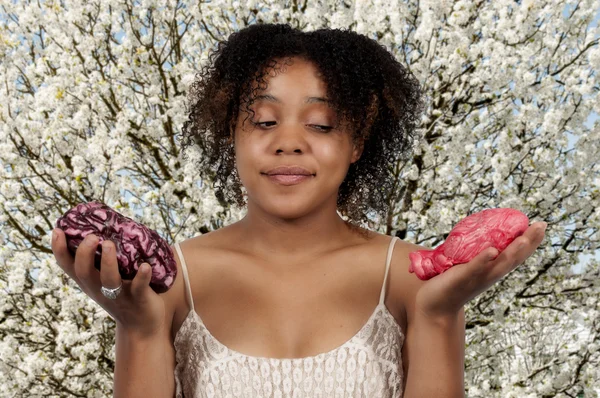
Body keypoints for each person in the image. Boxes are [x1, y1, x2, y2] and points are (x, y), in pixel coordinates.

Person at [51, 22, 547, 398]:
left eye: (322, 125)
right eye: (264, 121)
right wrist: (138, 327)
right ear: (231, 132)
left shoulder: (412, 277)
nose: (288, 143)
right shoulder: (173, 279)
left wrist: (441, 314)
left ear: (358, 139)